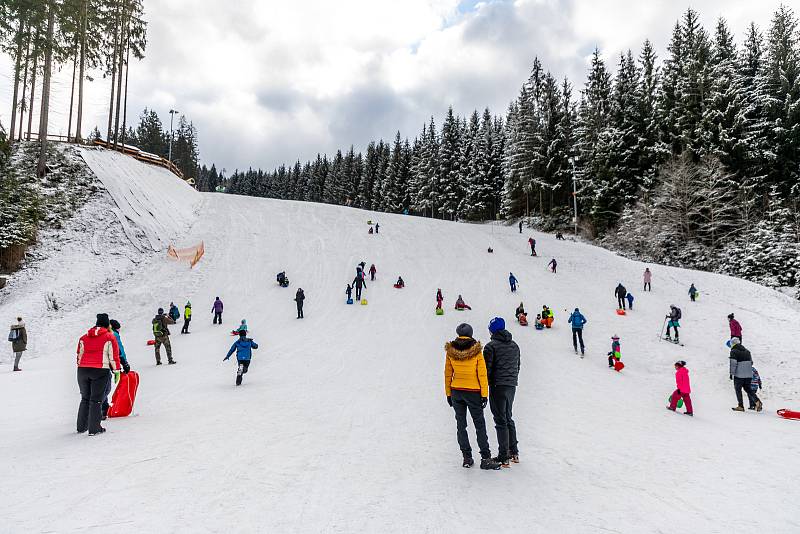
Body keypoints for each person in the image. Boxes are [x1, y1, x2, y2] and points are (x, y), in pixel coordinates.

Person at [444, 323, 500, 470]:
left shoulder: (451, 351)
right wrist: (484, 395)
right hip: (473, 392)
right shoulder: (476, 351)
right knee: (479, 425)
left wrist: (448, 393)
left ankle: (467, 457)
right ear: (471, 333)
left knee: (461, 425)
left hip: (457, 391)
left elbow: (448, 373)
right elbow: (482, 374)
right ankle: (485, 458)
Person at [484, 317, 521, 467]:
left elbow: (487, 370)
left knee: (500, 420)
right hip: (511, 385)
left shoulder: (490, 347)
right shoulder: (514, 345)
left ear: (492, 330)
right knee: (508, 417)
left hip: (497, 386)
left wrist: (488, 383)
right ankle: (514, 452)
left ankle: (503, 456)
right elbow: (518, 365)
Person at [76, 313, 120, 435]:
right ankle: (94, 429)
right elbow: (113, 357)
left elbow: (79, 355)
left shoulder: (83, 337)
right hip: (100, 370)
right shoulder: (109, 337)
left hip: (82, 370)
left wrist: (83, 366)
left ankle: (81, 427)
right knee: (96, 400)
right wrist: (117, 371)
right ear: (107, 324)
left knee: (85, 398)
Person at [104, 319, 130, 419]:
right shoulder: (114, 334)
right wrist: (125, 362)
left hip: (97, 364)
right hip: (109, 363)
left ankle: (102, 408)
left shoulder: (104, 333)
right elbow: (119, 350)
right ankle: (103, 410)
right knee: (106, 387)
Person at [729, 338, 762, 412]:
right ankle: (757, 401)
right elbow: (751, 362)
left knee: (738, 389)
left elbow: (733, 363)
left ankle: (740, 406)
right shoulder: (747, 351)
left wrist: (731, 373)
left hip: (739, 374)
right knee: (748, 389)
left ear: (733, 344)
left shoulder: (733, 351)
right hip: (749, 374)